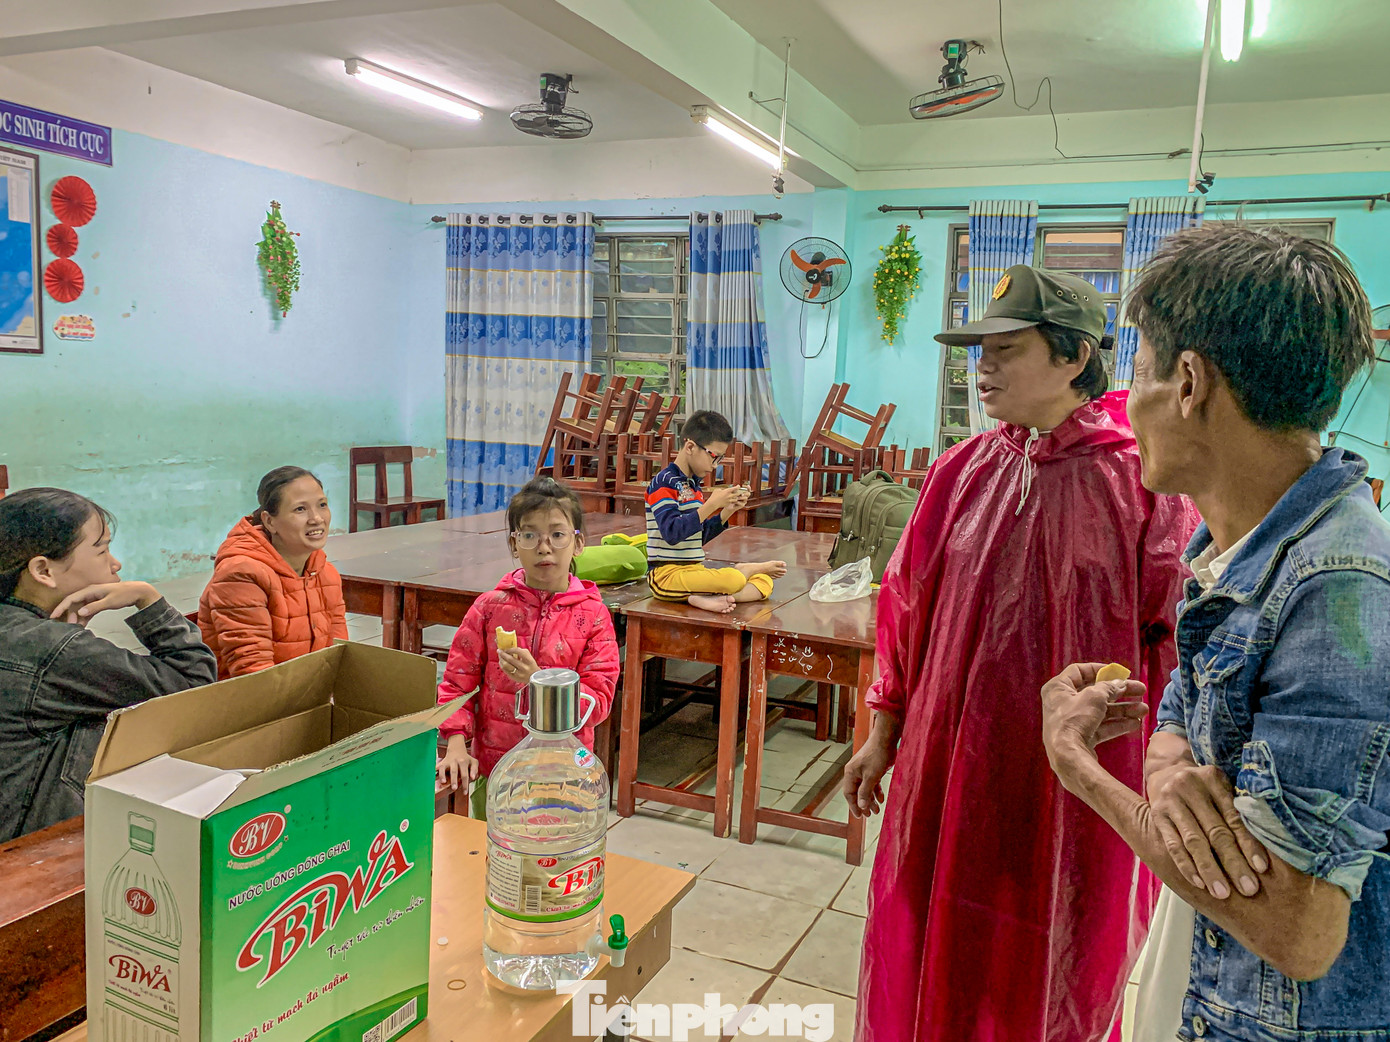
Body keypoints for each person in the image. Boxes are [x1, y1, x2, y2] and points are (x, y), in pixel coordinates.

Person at [1041, 225, 1389, 1041]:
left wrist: (1079, 765)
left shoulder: (1341, 593)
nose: (1129, 405)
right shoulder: (1235, 546)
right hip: (1203, 972)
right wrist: (1169, 774)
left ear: (1190, 382)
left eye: (1139, 373)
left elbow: (1296, 930)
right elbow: (1180, 730)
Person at [844, 266, 1199, 1042]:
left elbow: (1177, 643)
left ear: (1073, 357)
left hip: (1076, 779)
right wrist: (883, 729)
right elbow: (905, 609)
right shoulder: (963, 472)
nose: (984, 366)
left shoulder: (1145, 481)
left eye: (1006, 348)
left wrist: (1163, 774)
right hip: (949, 757)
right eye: (980, 350)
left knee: (1056, 944)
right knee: (935, 923)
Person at [0, 488, 216, 841]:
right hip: (30, 850)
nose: (114, 564)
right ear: (43, 570)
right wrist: (148, 598)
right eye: (101, 550)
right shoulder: (55, 650)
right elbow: (194, 689)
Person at [436, 477, 620, 817]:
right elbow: (456, 684)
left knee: (554, 860)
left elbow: (600, 702)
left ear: (578, 543)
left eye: (557, 534)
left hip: (564, 773)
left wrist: (540, 681)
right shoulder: (489, 608)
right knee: (497, 858)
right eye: (530, 535)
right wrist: (456, 745)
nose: (544, 547)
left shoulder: (594, 616)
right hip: (497, 768)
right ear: (514, 543)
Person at [198, 466, 347, 679]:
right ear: (269, 521)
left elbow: (340, 653)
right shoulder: (242, 575)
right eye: (300, 509)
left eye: (322, 505)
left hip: (306, 696)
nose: (316, 518)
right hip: (247, 702)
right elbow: (253, 673)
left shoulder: (326, 573)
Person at [644, 410, 786, 613]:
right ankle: (722, 585)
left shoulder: (693, 486)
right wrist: (710, 505)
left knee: (764, 583)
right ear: (690, 446)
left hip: (694, 570)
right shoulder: (663, 483)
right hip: (666, 575)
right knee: (733, 579)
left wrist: (727, 511)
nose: (714, 466)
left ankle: (702, 597)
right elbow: (672, 534)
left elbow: (696, 537)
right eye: (714, 457)